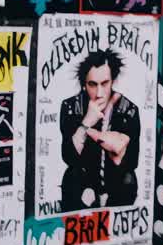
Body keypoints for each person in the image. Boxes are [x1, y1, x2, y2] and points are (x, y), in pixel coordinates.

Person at [59, 49, 140, 211]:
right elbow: (69, 156)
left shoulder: (127, 109)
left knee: (127, 178)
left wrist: (85, 129)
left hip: (119, 187)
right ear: (84, 84)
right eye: (92, 85)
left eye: (105, 83)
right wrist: (88, 120)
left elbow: (118, 149)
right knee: (72, 176)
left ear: (112, 81)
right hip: (81, 187)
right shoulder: (71, 107)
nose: (99, 93)